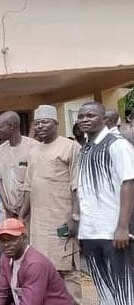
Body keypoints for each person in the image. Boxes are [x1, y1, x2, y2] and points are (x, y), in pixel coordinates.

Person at [19, 105, 82, 303]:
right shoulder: (33, 150)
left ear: (56, 123)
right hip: (38, 224)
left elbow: (77, 186)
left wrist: (75, 217)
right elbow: (29, 187)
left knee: (67, 269)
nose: (40, 127)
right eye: (36, 123)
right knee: (43, 268)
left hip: (62, 220)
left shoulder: (70, 147)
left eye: (44, 122)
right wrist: (21, 217)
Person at [76, 101, 134, 304]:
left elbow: (129, 183)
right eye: (81, 116)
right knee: (103, 288)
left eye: (90, 115)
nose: (85, 119)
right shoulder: (85, 149)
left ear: (104, 119)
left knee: (124, 290)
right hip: (91, 231)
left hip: (114, 231)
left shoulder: (118, 145)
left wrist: (122, 227)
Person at [0, 218, 74, 305]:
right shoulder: (6, 258)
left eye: (12, 239)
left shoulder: (35, 264)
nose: (6, 245)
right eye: (2, 241)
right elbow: (1, 292)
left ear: (24, 238)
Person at [0, 111, 38, 220]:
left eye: (0, 127)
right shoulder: (0, 150)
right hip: (8, 210)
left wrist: (23, 207)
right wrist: (6, 205)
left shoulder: (34, 147)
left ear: (11, 126)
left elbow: (34, 181)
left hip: (31, 210)